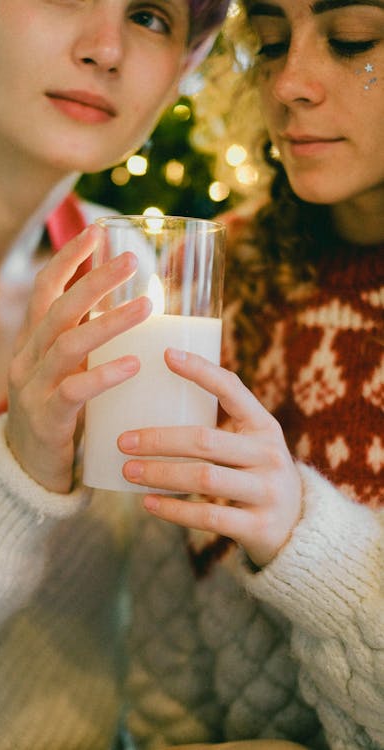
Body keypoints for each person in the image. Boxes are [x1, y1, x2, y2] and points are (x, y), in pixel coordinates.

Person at [0, 1, 231, 748]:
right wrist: (20, 475)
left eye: (148, 16)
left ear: (190, 61)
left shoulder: (149, 285)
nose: (105, 49)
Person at [119, 1, 383, 748]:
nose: (288, 82)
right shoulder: (214, 278)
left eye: (352, 39)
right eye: (269, 42)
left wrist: (302, 535)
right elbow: (165, 613)